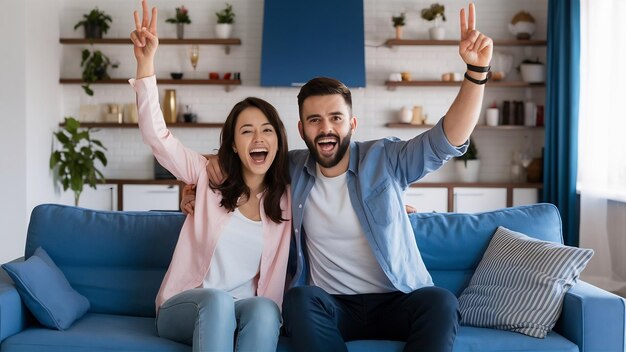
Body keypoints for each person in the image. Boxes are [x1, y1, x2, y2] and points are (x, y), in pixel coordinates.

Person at [183, 3, 492, 351]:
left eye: (335, 117)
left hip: (396, 299)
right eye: (314, 120)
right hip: (332, 306)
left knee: (441, 302)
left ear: (352, 124)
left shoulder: (385, 159)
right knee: (299, 299)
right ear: (301, 129)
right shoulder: (290, 168)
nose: (326, 128)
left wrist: (476, 72)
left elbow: (446, 140)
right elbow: (233, 162)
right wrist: (194, 185)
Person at [128, 1, 292, 351]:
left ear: (279, 141)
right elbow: (158, 138)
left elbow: (337, 184)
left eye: (267, 130)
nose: (258, 138)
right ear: (233, 145)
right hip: (185, 306)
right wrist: (146, 64)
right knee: (216, 300)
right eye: (247, 131)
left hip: (244, 312)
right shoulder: (206, 176)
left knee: (265, 310)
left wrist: (391, 202)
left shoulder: (288, 199)